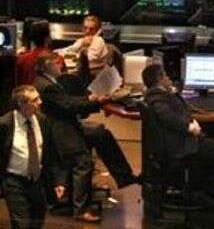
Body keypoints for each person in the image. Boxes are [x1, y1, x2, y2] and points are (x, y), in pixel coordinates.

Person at [33, 53, 137, 222]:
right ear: (46, 66)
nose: (60, 66)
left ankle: (125, 176)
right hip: (58, 129)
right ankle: (80, 209)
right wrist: (96, 101)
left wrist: (89, 98)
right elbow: (68, 105)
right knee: (83, 160)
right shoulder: (46, 86)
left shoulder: (48, 81)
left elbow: (67, 100)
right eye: (56, 63)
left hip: (64, 123)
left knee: (100, 133)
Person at [142, 64, 214, 206]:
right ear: (160, 79)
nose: (169, 78)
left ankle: (202, 190)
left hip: (181, 140)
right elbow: (166, 117)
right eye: (166, 76)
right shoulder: (156, 96)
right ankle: (205, 193)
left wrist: (190, 119)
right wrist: (189, 127)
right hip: (182, 145)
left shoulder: (160, 94)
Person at [0, 85, 67, 229]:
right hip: (14, 182)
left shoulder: (42, 121)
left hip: (37, 181)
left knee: (37, 221)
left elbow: (51, 153)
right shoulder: (4, 124)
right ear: (21, 104)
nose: (40, 102)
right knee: (22, 224)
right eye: (35, 100)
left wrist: (58, 181)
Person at [15, 20, 64, 86]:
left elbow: (18, 85)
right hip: (49, 92)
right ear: (47, 39)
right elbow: (64, 83)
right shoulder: (58, 59)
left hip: (26, 92)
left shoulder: (21, 59)